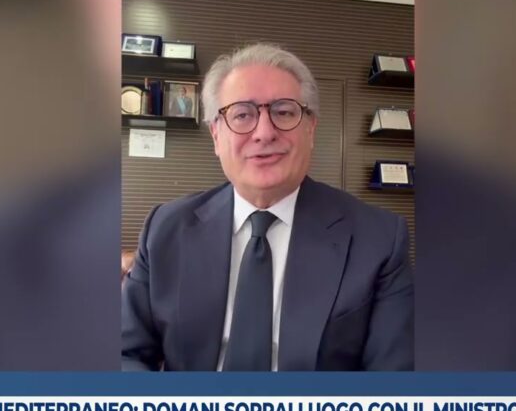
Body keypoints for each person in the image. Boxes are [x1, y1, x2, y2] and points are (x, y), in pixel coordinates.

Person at [121, 43, 413, 371]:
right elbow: (124, 354)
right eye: (242, 114)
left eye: (284, 112)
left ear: (311, 128)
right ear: (216, 135)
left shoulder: (379, 239)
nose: (264, 132)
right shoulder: (165, 228)